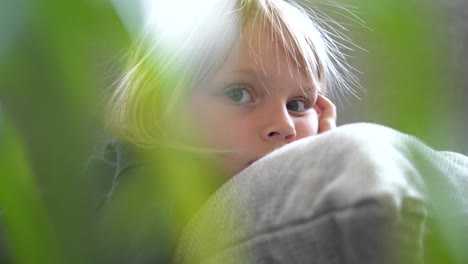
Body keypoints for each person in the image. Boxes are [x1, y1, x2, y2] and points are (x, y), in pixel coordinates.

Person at [87, 0, 359, 262]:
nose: (285, 125)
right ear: (163, 106)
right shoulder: (139, 195)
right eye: (239, 93)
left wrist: (320, 163)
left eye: (298, 104)